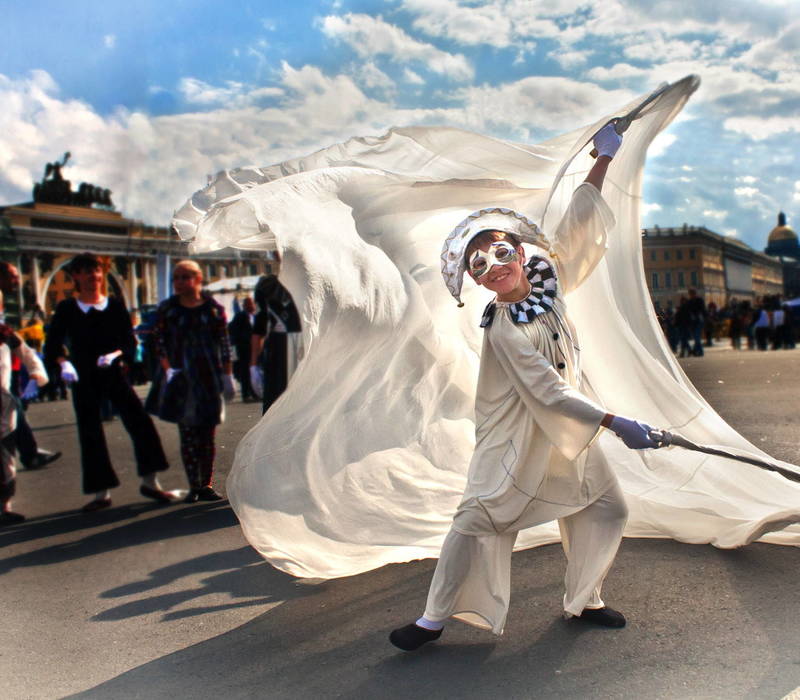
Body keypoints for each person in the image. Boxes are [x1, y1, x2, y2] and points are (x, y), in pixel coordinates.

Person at [389, 123, 664, 651]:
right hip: (517, 433)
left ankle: (585, 599)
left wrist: (601, 161)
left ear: (518, 251)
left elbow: (579, 229)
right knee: (478, 519)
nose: (492, 268)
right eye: (479, 266)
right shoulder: (506, 327)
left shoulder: (547, 281)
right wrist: (617, 422)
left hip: (563, 429)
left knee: (605, 507)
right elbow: (549, 393)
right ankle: (431, 619)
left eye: (499, 254)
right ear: (473, 280)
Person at [43, 253, 174, 512]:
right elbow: (53, 345)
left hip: (113, 373)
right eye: (88, 272)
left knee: (140, 422)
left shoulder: (114, 306)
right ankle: (100, 493)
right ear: (77, 276)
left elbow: (128, 341)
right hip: (83, 376)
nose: (94, 277)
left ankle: (151, 482)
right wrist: (63, 363)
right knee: (90, 432)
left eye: (98, 271)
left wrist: (115, 355)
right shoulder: (68, 309)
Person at [146, 260, 235, 502]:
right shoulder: (168, 310)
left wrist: (227, 375)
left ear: (197, 279)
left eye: (185, 277)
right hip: (181, 379)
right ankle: (194, 484)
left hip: (208, 377)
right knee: (187, 433)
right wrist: (167, 369)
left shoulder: (213, 309)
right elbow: (159, 342)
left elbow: (224, 344)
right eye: (176, 277)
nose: (179, 282)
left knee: (207, 433)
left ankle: (205, 483)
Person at [249, 274, 301, 415]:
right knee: (277, 404)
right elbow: (259, 328)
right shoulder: (266, 285)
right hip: (279, 349)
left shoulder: (313, 278)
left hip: (308, 345)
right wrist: (253, 365)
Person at [228, 296, 257, 401]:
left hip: (254, 349)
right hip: (243, 349)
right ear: (244, 306)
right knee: (245, 373)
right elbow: (232, 330)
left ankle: (255, 393)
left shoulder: (255, 316)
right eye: (248, 304)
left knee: (253, 372)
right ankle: (246, 395)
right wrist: (240, 341)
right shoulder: (240, 316)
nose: (251, 306)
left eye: (252, 303)